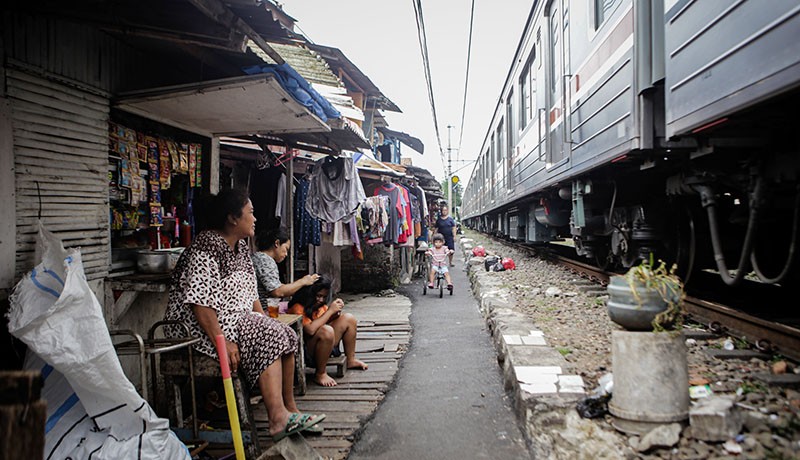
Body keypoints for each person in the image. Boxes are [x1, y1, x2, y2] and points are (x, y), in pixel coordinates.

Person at [163, 189, 323, 442]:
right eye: (251, 212)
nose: (255, 218)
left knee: (284, 333)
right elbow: (200, 304)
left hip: (235, 320)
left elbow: (251, 294)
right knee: (269, 336)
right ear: (232, 218)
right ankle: (277, 419)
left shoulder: (240, 246)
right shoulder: (206, 247)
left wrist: (264, 319)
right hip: (198, 329)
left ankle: (290, 411)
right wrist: (222, 341)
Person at [288, 277, 368, 387]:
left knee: (349, 318)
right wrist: (329, 312)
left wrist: (333, 315)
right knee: (327, 330)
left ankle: (350, 359)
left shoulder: (320, 306)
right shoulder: (298, 307)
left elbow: (323, 321)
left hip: (325, 346)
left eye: (324, 297)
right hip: (307, 351)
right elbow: (310, 330)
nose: (320, 300)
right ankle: (320, 373)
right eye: (318, 296)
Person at [252, 228, 320, 309]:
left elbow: (278, 287)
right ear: (277, 243)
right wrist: (303, 281)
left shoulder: (258, 257)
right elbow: (278, 292)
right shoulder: (265, 260)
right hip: (262, 311)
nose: (286, 254)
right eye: (286, 249)